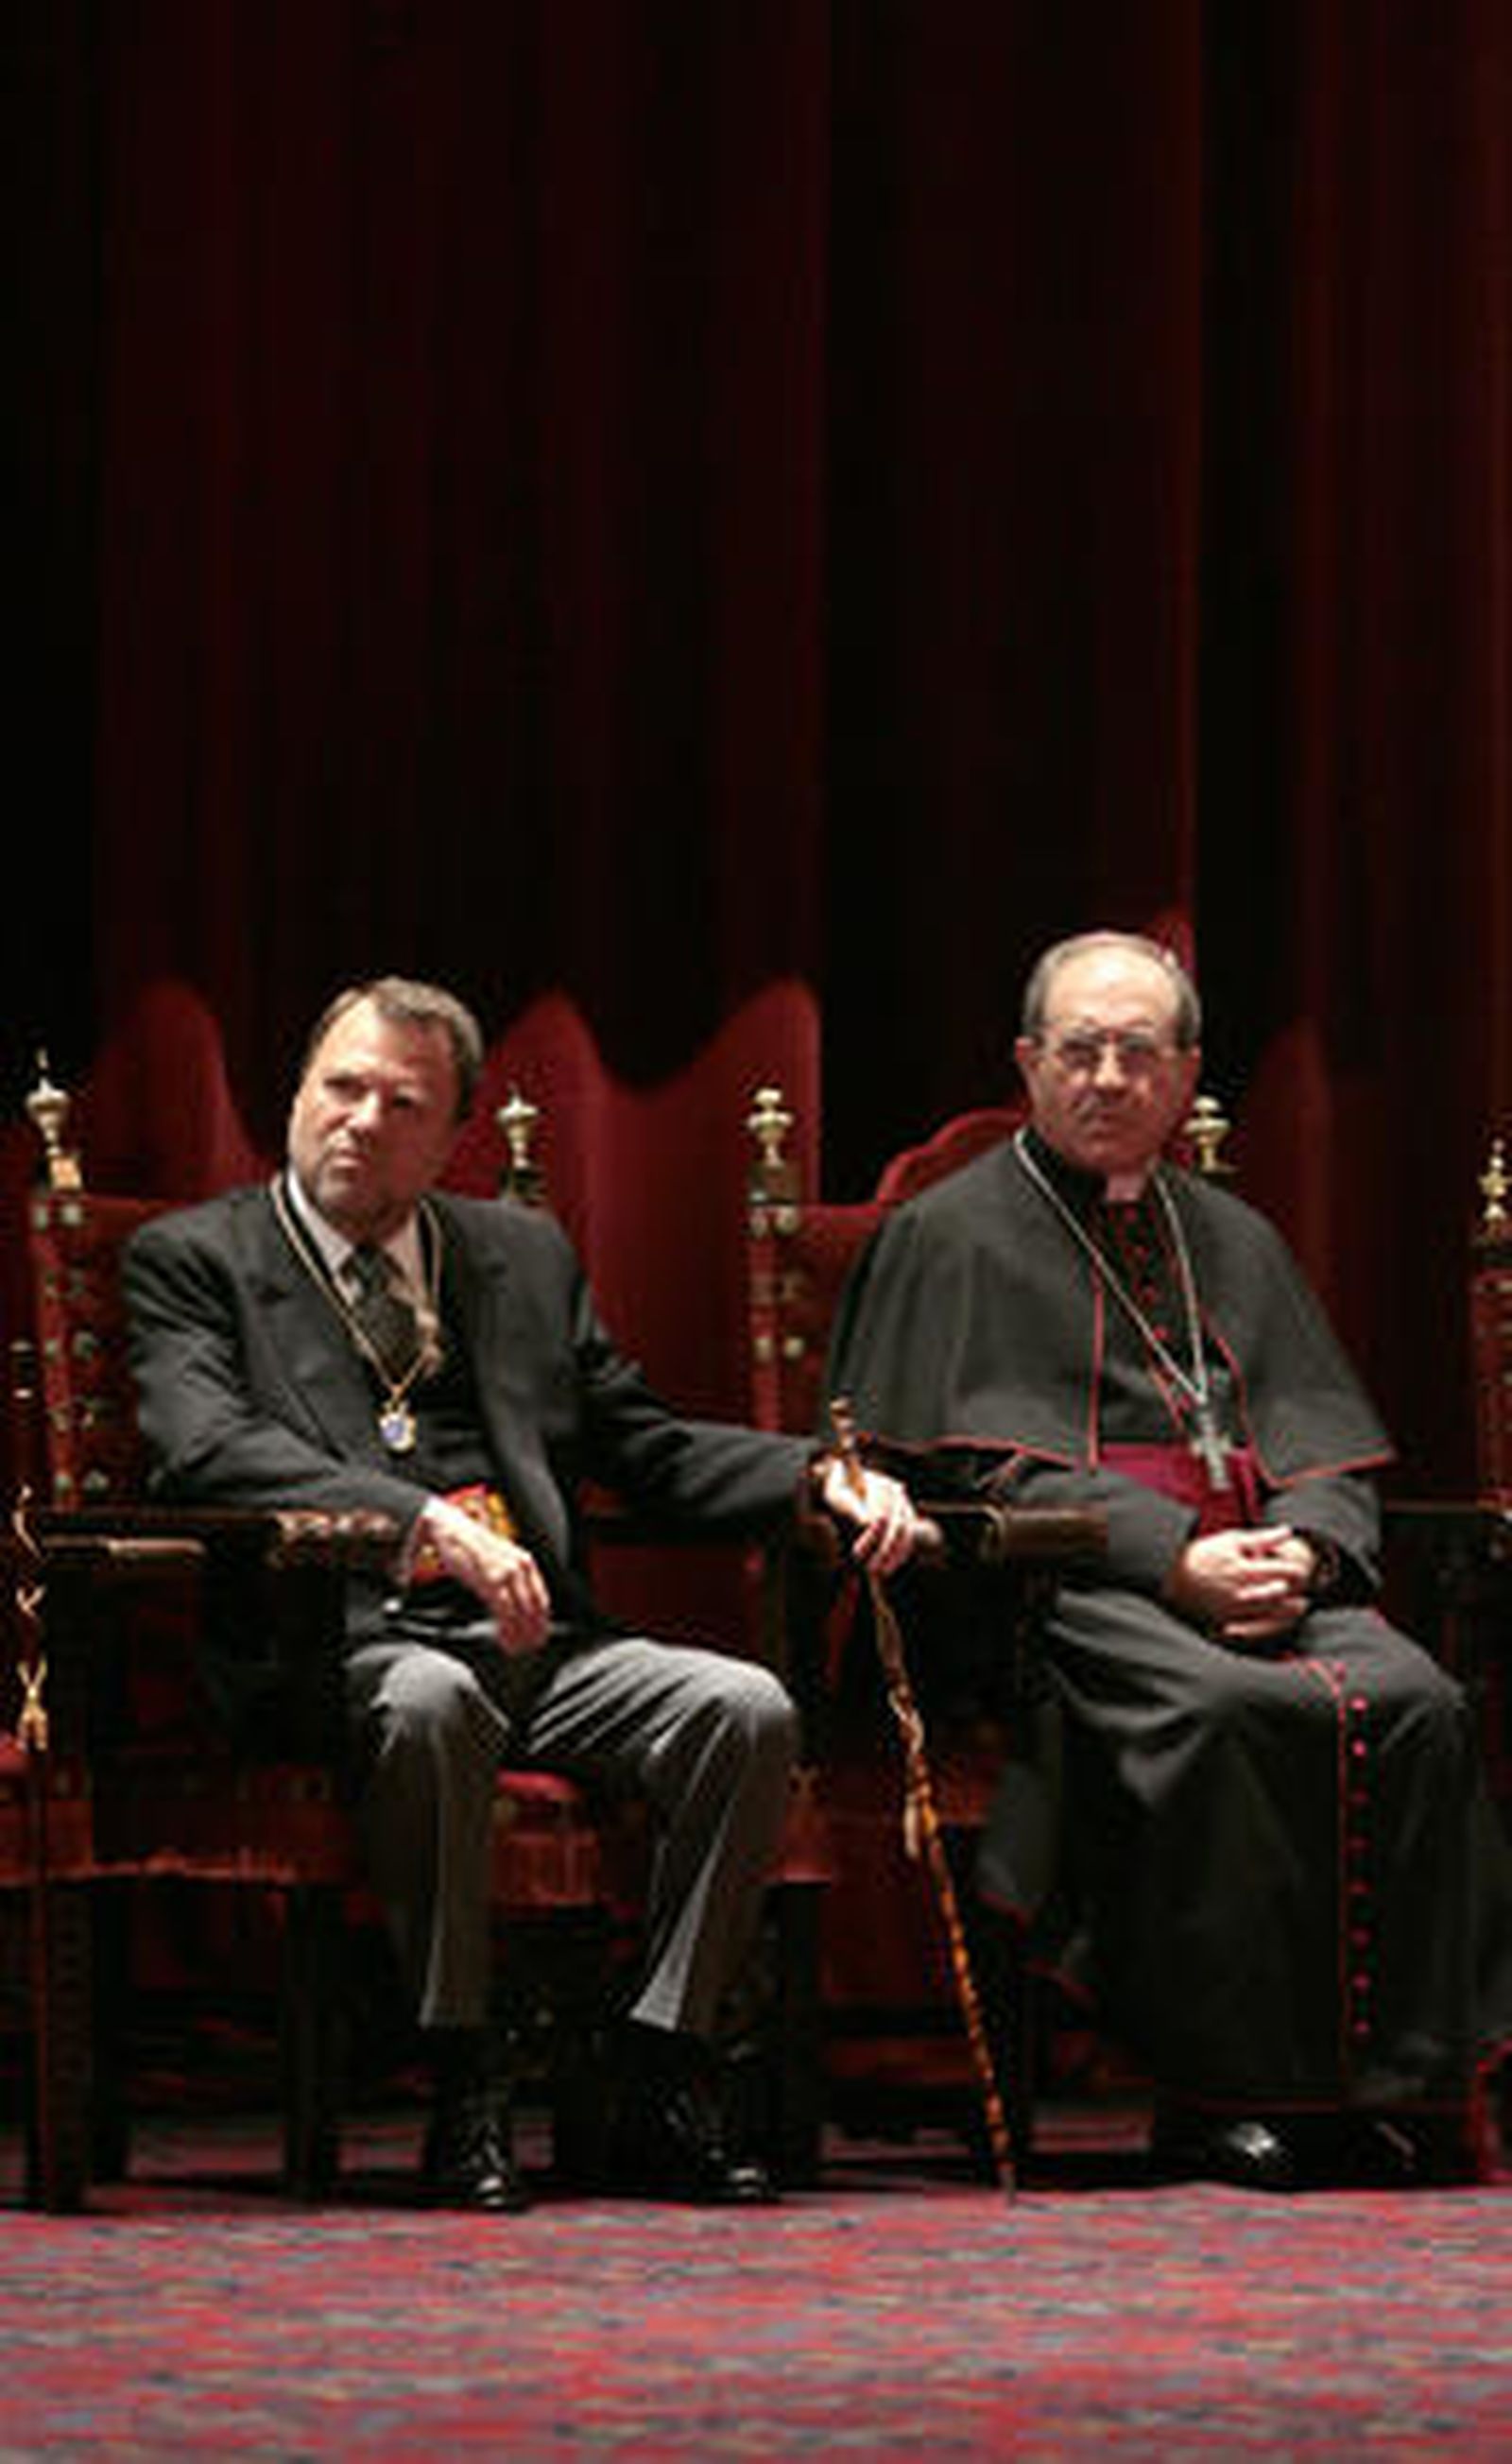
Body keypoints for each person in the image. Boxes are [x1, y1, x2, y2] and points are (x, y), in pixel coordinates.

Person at [124, 975, 919, 2213]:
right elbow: (204, 1445)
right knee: (433, 1699)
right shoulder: (196, 1261)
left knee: (742, 1708)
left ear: (451, 1137)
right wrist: (420, 1522)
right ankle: (463, 2074)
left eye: (402, 1104)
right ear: (294, 1097)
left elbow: (643, 1444)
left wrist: (822, 1478)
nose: (360, 1122)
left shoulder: (515, 1256)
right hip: (336, 1645)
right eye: (340, 1089)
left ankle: (658, 2065)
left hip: (537, 1642)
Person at [826, 928, 1512, 2189]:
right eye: (1077, 1051)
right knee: (1224, 1709)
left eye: (1138, 1053)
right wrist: (1173, 1558)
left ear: (1188, 1074)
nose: (1105, 1078)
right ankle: (1222, 2098)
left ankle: (1402, 2089)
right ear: (1027, 1062)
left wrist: (1305, 1556)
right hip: (1061, 1585)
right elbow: (959, 1471)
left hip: (1255, 1567)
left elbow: (1321, 1443)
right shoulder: (946, 1238)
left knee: (1414, 1701)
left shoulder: (1233, 1238)